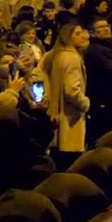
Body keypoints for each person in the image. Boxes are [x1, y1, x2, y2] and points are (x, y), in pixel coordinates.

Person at [41, 23, 91, 169]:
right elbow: (71, 90)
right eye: (77, 34)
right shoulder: (72, 58)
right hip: (70, 119)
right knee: (72, 165)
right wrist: (85, 103)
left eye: (82, 32)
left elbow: (36, 77)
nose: (83, 36)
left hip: (53, 118)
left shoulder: (50, 55)